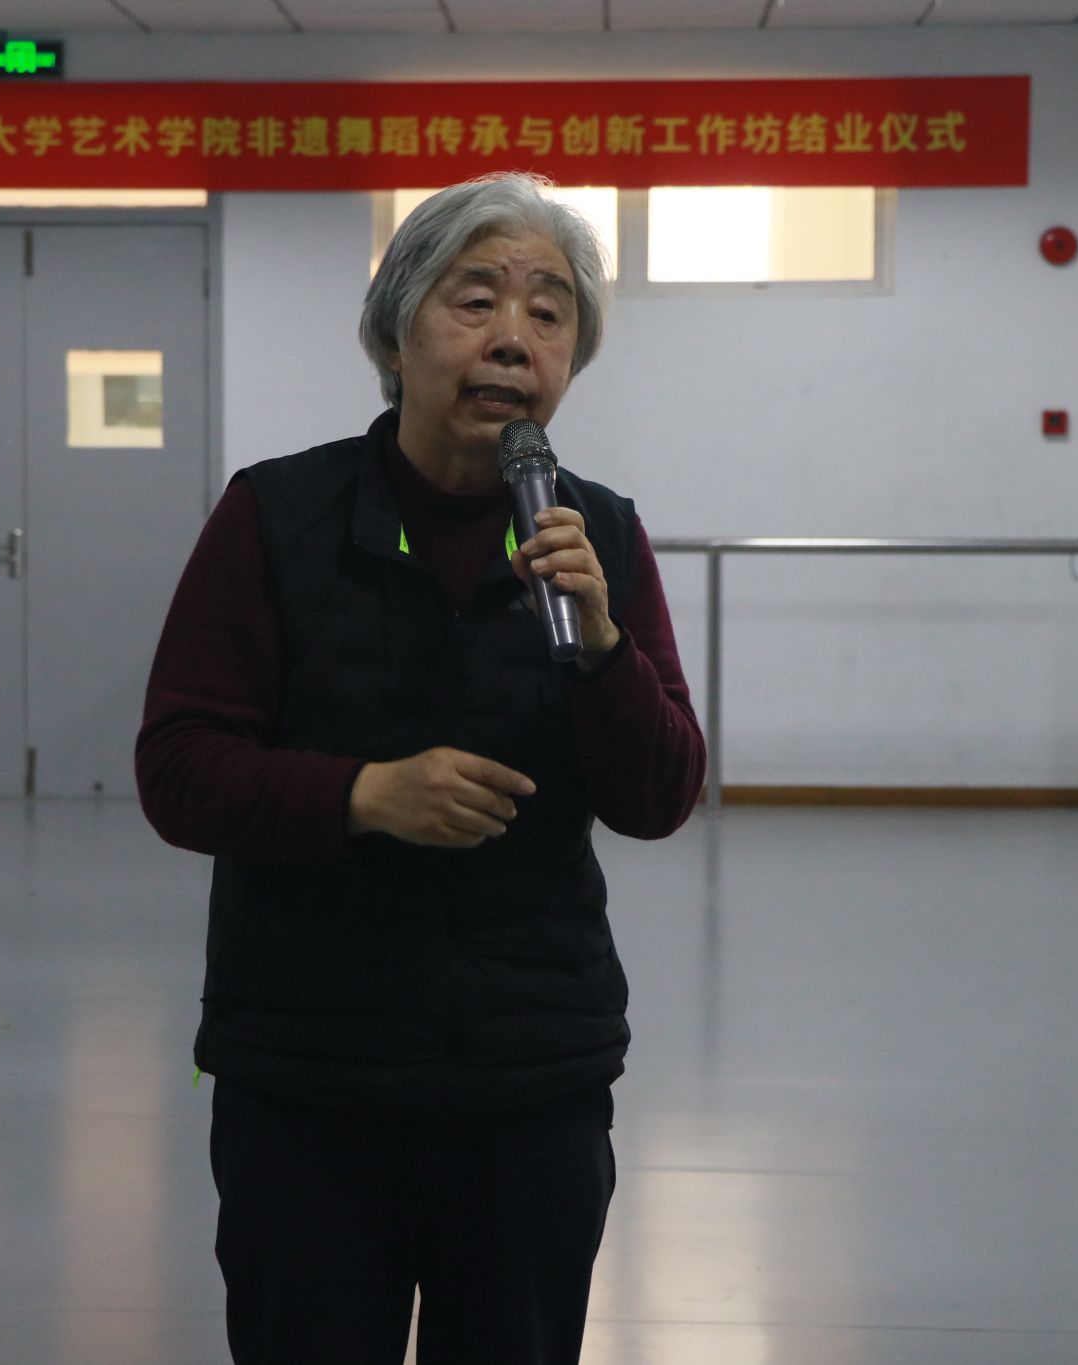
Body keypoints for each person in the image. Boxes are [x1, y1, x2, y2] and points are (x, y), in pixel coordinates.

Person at [136, 171, 706, 1365]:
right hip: (307, 1071)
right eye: (475, 300)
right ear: (394, 331)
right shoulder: (275, 517)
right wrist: (360, 795)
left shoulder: (595, 534)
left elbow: (657, 798)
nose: (511, 339)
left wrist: (603, 650)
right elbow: (179, 769)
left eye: (548, 313)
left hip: (530, 1074)